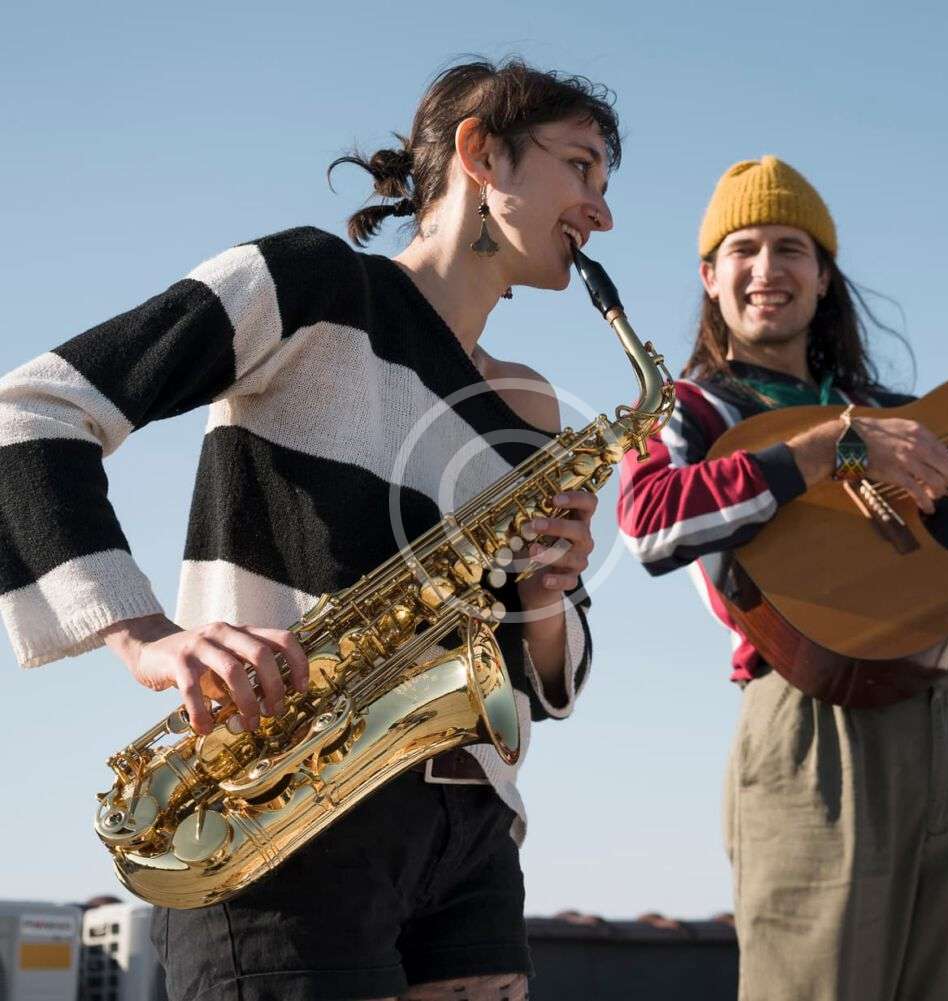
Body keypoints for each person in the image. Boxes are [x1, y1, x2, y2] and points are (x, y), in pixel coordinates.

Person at [0, 58, 618, 1001]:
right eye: (580, 166)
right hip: (277, 808)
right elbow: (32, 414)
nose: (601, 213)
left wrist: (543, 593)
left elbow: (545, 674)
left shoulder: (532, 409)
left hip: (471, 831)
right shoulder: (309, 282)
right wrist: (145, 635)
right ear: (482, 153)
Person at [616, 155, 948, 1000]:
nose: (768, 269)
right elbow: (649, 523)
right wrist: (825, 448)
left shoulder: (903, 415)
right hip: (814, 719)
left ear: (824, 275)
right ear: (710, 275)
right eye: (744, 249)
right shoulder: (688, 407)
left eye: (791, 248)